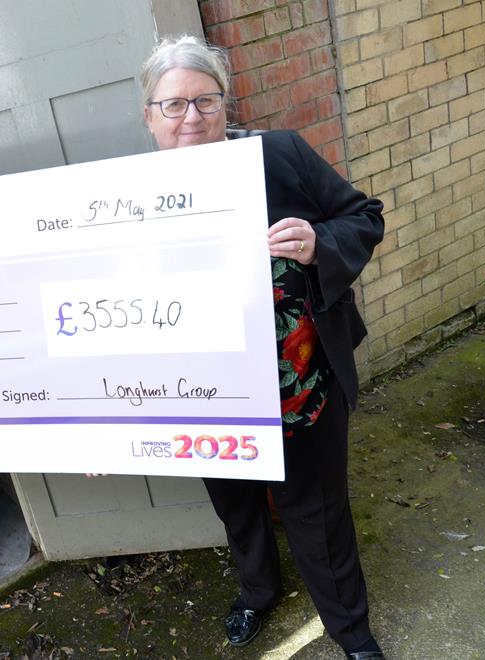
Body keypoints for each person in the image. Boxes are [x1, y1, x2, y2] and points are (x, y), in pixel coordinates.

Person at [138, 37, 386, 659]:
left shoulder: (277, 155)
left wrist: (318, 240)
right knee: (236, 501)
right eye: (172, 106)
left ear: (226, 104)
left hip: (298, 382)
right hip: (204, 394)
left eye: (205, 101)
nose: (190, 118)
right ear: (148, 116)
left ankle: (350, 632)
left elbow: (364, 216)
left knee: (317, 511)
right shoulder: (123, 199)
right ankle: (257, 591)